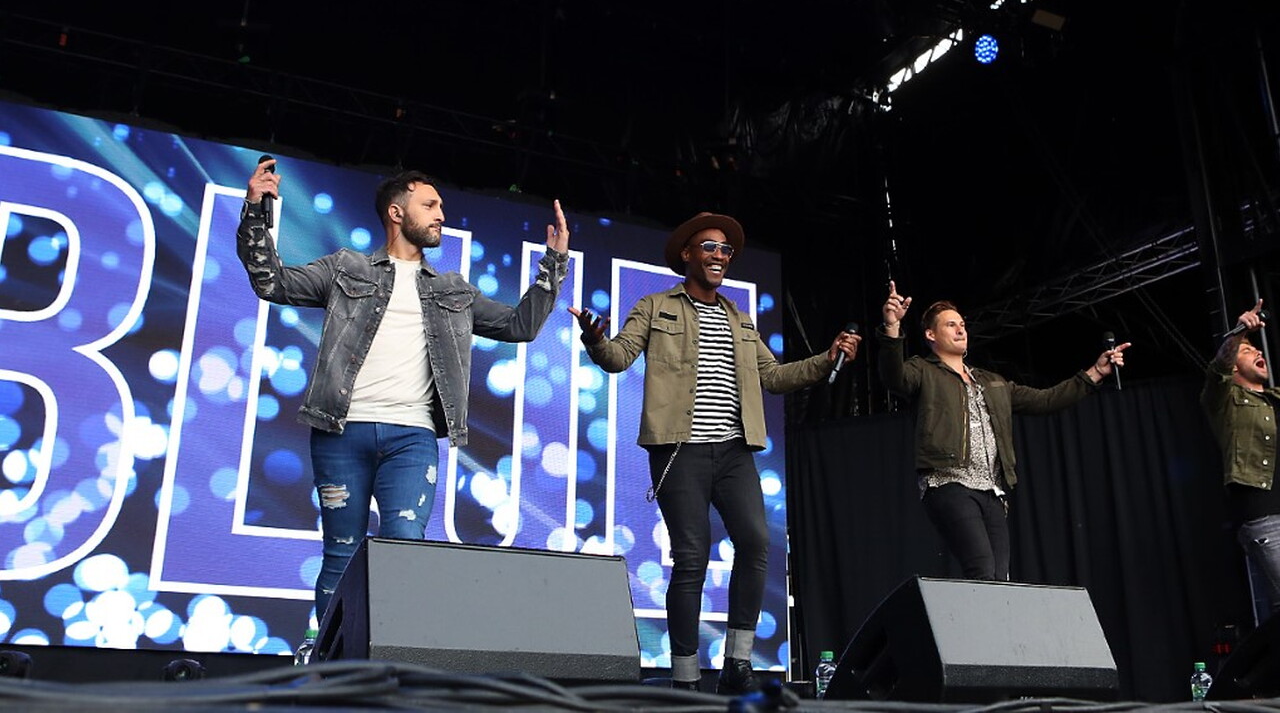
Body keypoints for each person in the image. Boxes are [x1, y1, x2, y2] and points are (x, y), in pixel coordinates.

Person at [236, 159, 569, 626]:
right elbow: (271, 282)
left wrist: (554, 263)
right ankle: (331, 658)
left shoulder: (453, 289)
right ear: (397, 212)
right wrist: (255, 209)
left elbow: (520, 325)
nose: (440, 215)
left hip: (412, 438)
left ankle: (387, 655)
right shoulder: (346, 268)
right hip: (340, 432)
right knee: (341, 552)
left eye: (441, 207)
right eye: (429, 205)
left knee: (404, 551)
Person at [570, 212, 860, 695]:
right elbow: (618, 357)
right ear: (687, 254)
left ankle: (737, 663)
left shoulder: (739, 319)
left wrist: (826, 359)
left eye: (726, 250)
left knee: (756, 542)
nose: (720, 255)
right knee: (692, 558)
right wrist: (595, 338)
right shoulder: (656, 306)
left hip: (733, 452)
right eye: (710, 246)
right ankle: (685, 678)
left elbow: (774, 376)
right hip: (679, 450)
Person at [877, 280, 1127, 581]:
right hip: (948, 482)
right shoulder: (924, 371)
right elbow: (894, 377)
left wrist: (1095, 373)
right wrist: (892, 328)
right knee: (982, 567)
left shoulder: (990, 381)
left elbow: (1045, 399)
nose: (960, 330)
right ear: (931, 335)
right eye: (951, 325)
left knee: (999, 576)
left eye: (962, 325)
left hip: (991, 490)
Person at [1201, 298, 1280, 616]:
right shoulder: (1222, 401)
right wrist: (1238, 333)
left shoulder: (1276, 399)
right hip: (1267, 515)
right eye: (1248, 351)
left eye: (1256, 348)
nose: (1258, 351)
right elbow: (1218, 368)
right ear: (1235, 366)